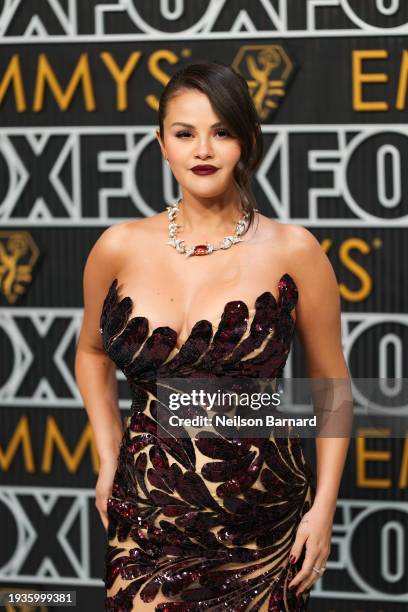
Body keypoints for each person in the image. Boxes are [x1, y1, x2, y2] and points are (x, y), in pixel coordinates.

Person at [75, 62, 351, 611]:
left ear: (247, 140)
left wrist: (323, 510)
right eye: (185, 133)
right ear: (162, 143)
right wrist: (109, 456)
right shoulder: (118, 246)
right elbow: (89, 352)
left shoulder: (293, 249)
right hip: (148, 517)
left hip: (262, 527)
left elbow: (331, 386)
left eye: (221, 131)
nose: (203, 149)